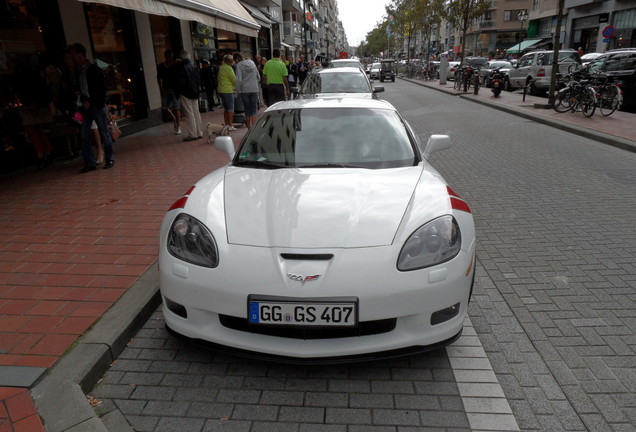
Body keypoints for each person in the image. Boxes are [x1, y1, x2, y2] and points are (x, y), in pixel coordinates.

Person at [67, 42, 115, 172]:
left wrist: (92, 101)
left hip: (96, 106)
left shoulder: (94, 70)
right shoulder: (77, 72)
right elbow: (77, 89)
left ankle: (110, 158)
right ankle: (90, 162)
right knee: (84, 136)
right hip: (83, 107)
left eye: (73, 55)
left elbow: (101, 89)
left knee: (104, 133)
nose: (71, 58)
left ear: (80, 55)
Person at [175, 50, 203, 141]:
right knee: (196, 113)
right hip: (195, 92)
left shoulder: (181, 67)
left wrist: (179, 92)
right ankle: (199, 132)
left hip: (186, 92)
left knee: (189, 113)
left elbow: (180, 82)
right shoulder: (194, 66)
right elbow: (198, 79)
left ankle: (192, 133)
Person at [156, 49, 181, 135]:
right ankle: (173, 118)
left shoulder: (176, 65)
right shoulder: (161, 66)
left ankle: (178, 127)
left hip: (175, 90)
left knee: (176, 108)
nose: (171, 58)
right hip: (166, 89)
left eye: (172, 56)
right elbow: (158, 77)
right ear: (166, 56)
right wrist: (160, 87)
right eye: (169, 56)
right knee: (164, 108)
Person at [235, 54, 260, 129]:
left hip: (244, 90)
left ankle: (249, 127)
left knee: (247, 108)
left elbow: (239, 79)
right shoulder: (253, 64)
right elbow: (258, 77)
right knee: (253, 108)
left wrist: (238, 90)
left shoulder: (239, 65)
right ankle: (254, 127)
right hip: (254, 89)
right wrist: (254, 83)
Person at [217, 54, 237, 131]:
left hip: (221, 90)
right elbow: (234, 80)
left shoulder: (221, 67)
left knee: (226, 109)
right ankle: (230, 125)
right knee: (230, 109)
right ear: (230, 61)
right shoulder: (229, 68)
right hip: (227, 90)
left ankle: (226, 124)